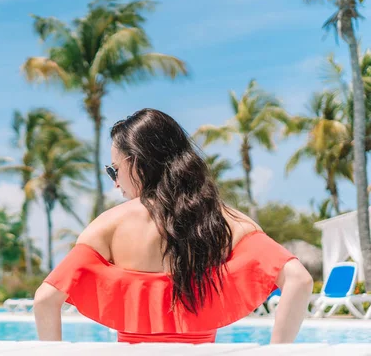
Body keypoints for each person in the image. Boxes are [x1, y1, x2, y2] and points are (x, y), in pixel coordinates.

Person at [33, 108, 313, 344]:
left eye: (114, 169)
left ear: (136, 162)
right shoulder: (223, 220)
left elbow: (46, 299)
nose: (115, 181)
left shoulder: (109, 225)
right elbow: (299, 280)